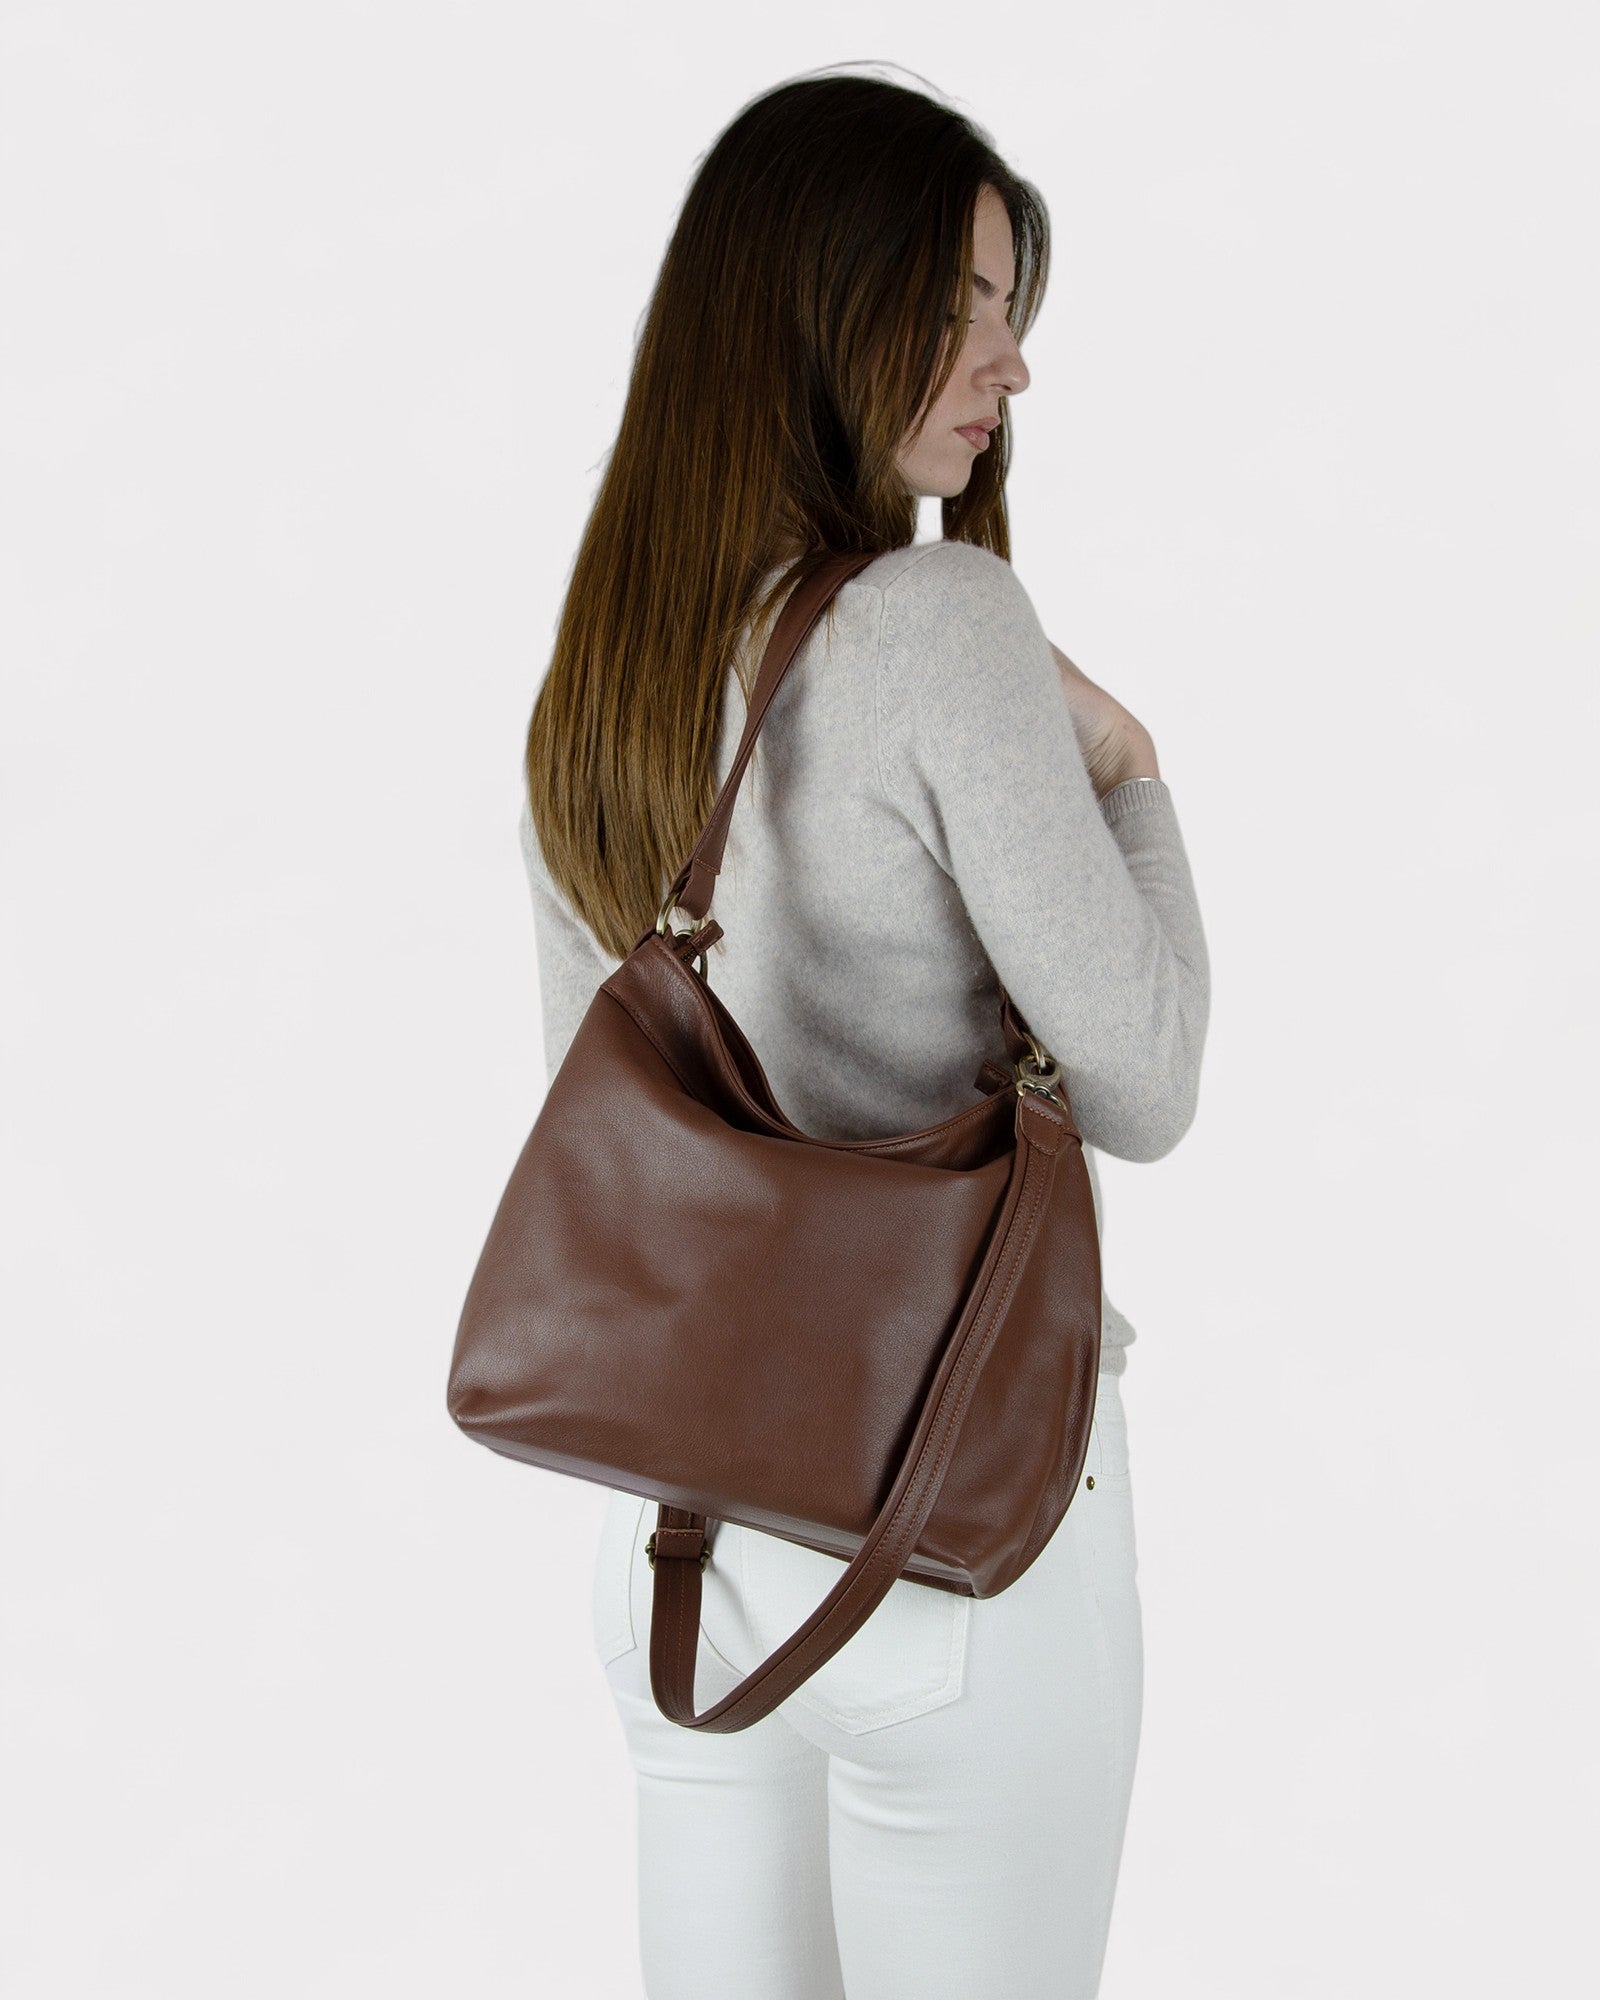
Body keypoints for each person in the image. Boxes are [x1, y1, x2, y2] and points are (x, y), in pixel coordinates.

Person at [515, 64, 1210, 2000]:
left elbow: (600, 1112)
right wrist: (1130, 770)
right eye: (964, 301)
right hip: (957, 1525)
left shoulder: (606, 671)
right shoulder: (940, 619)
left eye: (1011, 307)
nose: (1010, 362)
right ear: (821, 307)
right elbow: (1146, 1075)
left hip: (678, 1538)